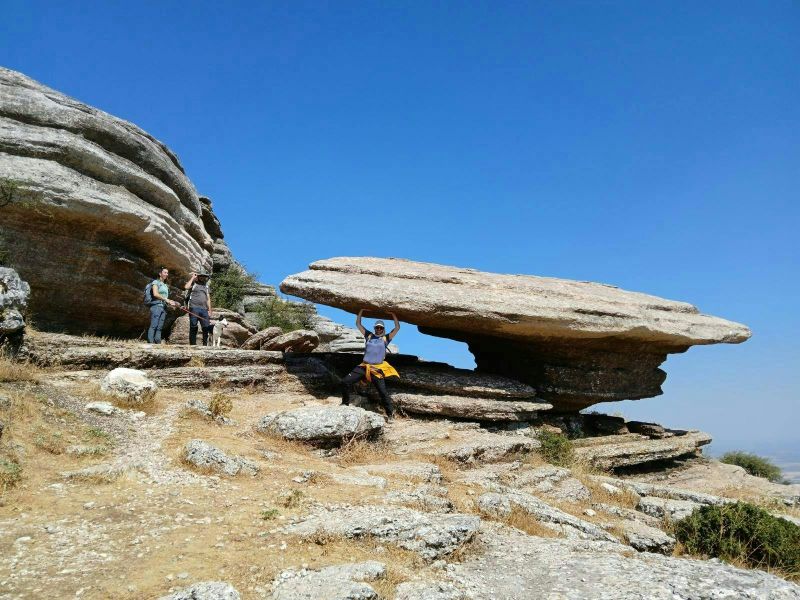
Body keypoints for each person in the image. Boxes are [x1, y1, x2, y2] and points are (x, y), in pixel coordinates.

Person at [341, 309, 400, 420]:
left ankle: (390, 415)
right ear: (374, 328)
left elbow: (397, 328)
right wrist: (361, 311)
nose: (379, 329)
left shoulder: (385, 338)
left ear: (383, 329)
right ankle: (345, 403)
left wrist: (393, 314)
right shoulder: (369, 336)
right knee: (345, 381)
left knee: (383, 393)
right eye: (377, 327)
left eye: (381, 328)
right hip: (364, 366)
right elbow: (358, 324)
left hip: (376, 369)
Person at [148, 267, 180, 344]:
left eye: (167, 273)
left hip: (164, 307)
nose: (166, 274)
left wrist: (171, 302)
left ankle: (158, 343)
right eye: (165, 272)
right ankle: (150, 342)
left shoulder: (165, 285)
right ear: (160, 274)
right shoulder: (155, 282)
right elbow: (155, 294)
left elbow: (165, 298)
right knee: (154, 325)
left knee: (160, 327)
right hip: (156, 306)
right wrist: (166, 299)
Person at [184, 271, 213, 346]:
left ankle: (205, 345)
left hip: (204, 309)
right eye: (201, 276)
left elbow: (208, 299)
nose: (203, 277)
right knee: (193, 326)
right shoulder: (194, 284)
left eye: (204, 276)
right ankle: (193, 345)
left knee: (206, 327)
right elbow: (186, 287)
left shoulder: (206, 286)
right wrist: (192, 278)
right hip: (194, 308)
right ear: (198, 276)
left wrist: (210, 310)